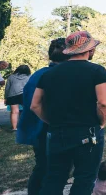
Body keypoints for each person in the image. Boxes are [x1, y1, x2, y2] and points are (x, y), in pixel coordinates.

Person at [31, 31, 106, 194]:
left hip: (57, 132)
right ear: (89, 50)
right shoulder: (97, 71)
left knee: (54, 178)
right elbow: (103, 103)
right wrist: (102, 122)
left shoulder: (49, 73)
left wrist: (50, 122)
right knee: (84, 178)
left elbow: (35, 105)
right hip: (87, 132)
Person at [17, 38, 68, 194]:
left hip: (37, 129)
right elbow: (36, 105)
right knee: (53, 169)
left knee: (43, 166)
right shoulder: (54, 75)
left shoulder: (39, 74)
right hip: (46, 129)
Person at [5, 64, 31, 131]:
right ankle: (25, 126)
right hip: (24, 95)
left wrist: (6, 97)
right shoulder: (29, 77)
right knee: (26, 111)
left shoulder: (11, 77)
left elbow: (7, 88)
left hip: (12, 95)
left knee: (14, 112)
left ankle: (14, 128)